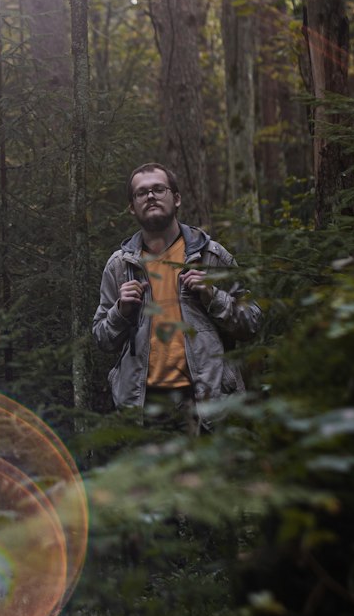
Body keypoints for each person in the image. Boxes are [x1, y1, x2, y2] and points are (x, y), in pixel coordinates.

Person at [92, 163, 262, 429]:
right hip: (143, 406)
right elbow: (102, 339)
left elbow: (251, 322)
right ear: (132, 207)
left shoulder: (211, 256)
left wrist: (212, 295)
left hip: (205, 402)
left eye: (159, 189)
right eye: (141, 193)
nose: (150, 196)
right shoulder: (119, 266)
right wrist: (120, 311)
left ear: (177, 198)